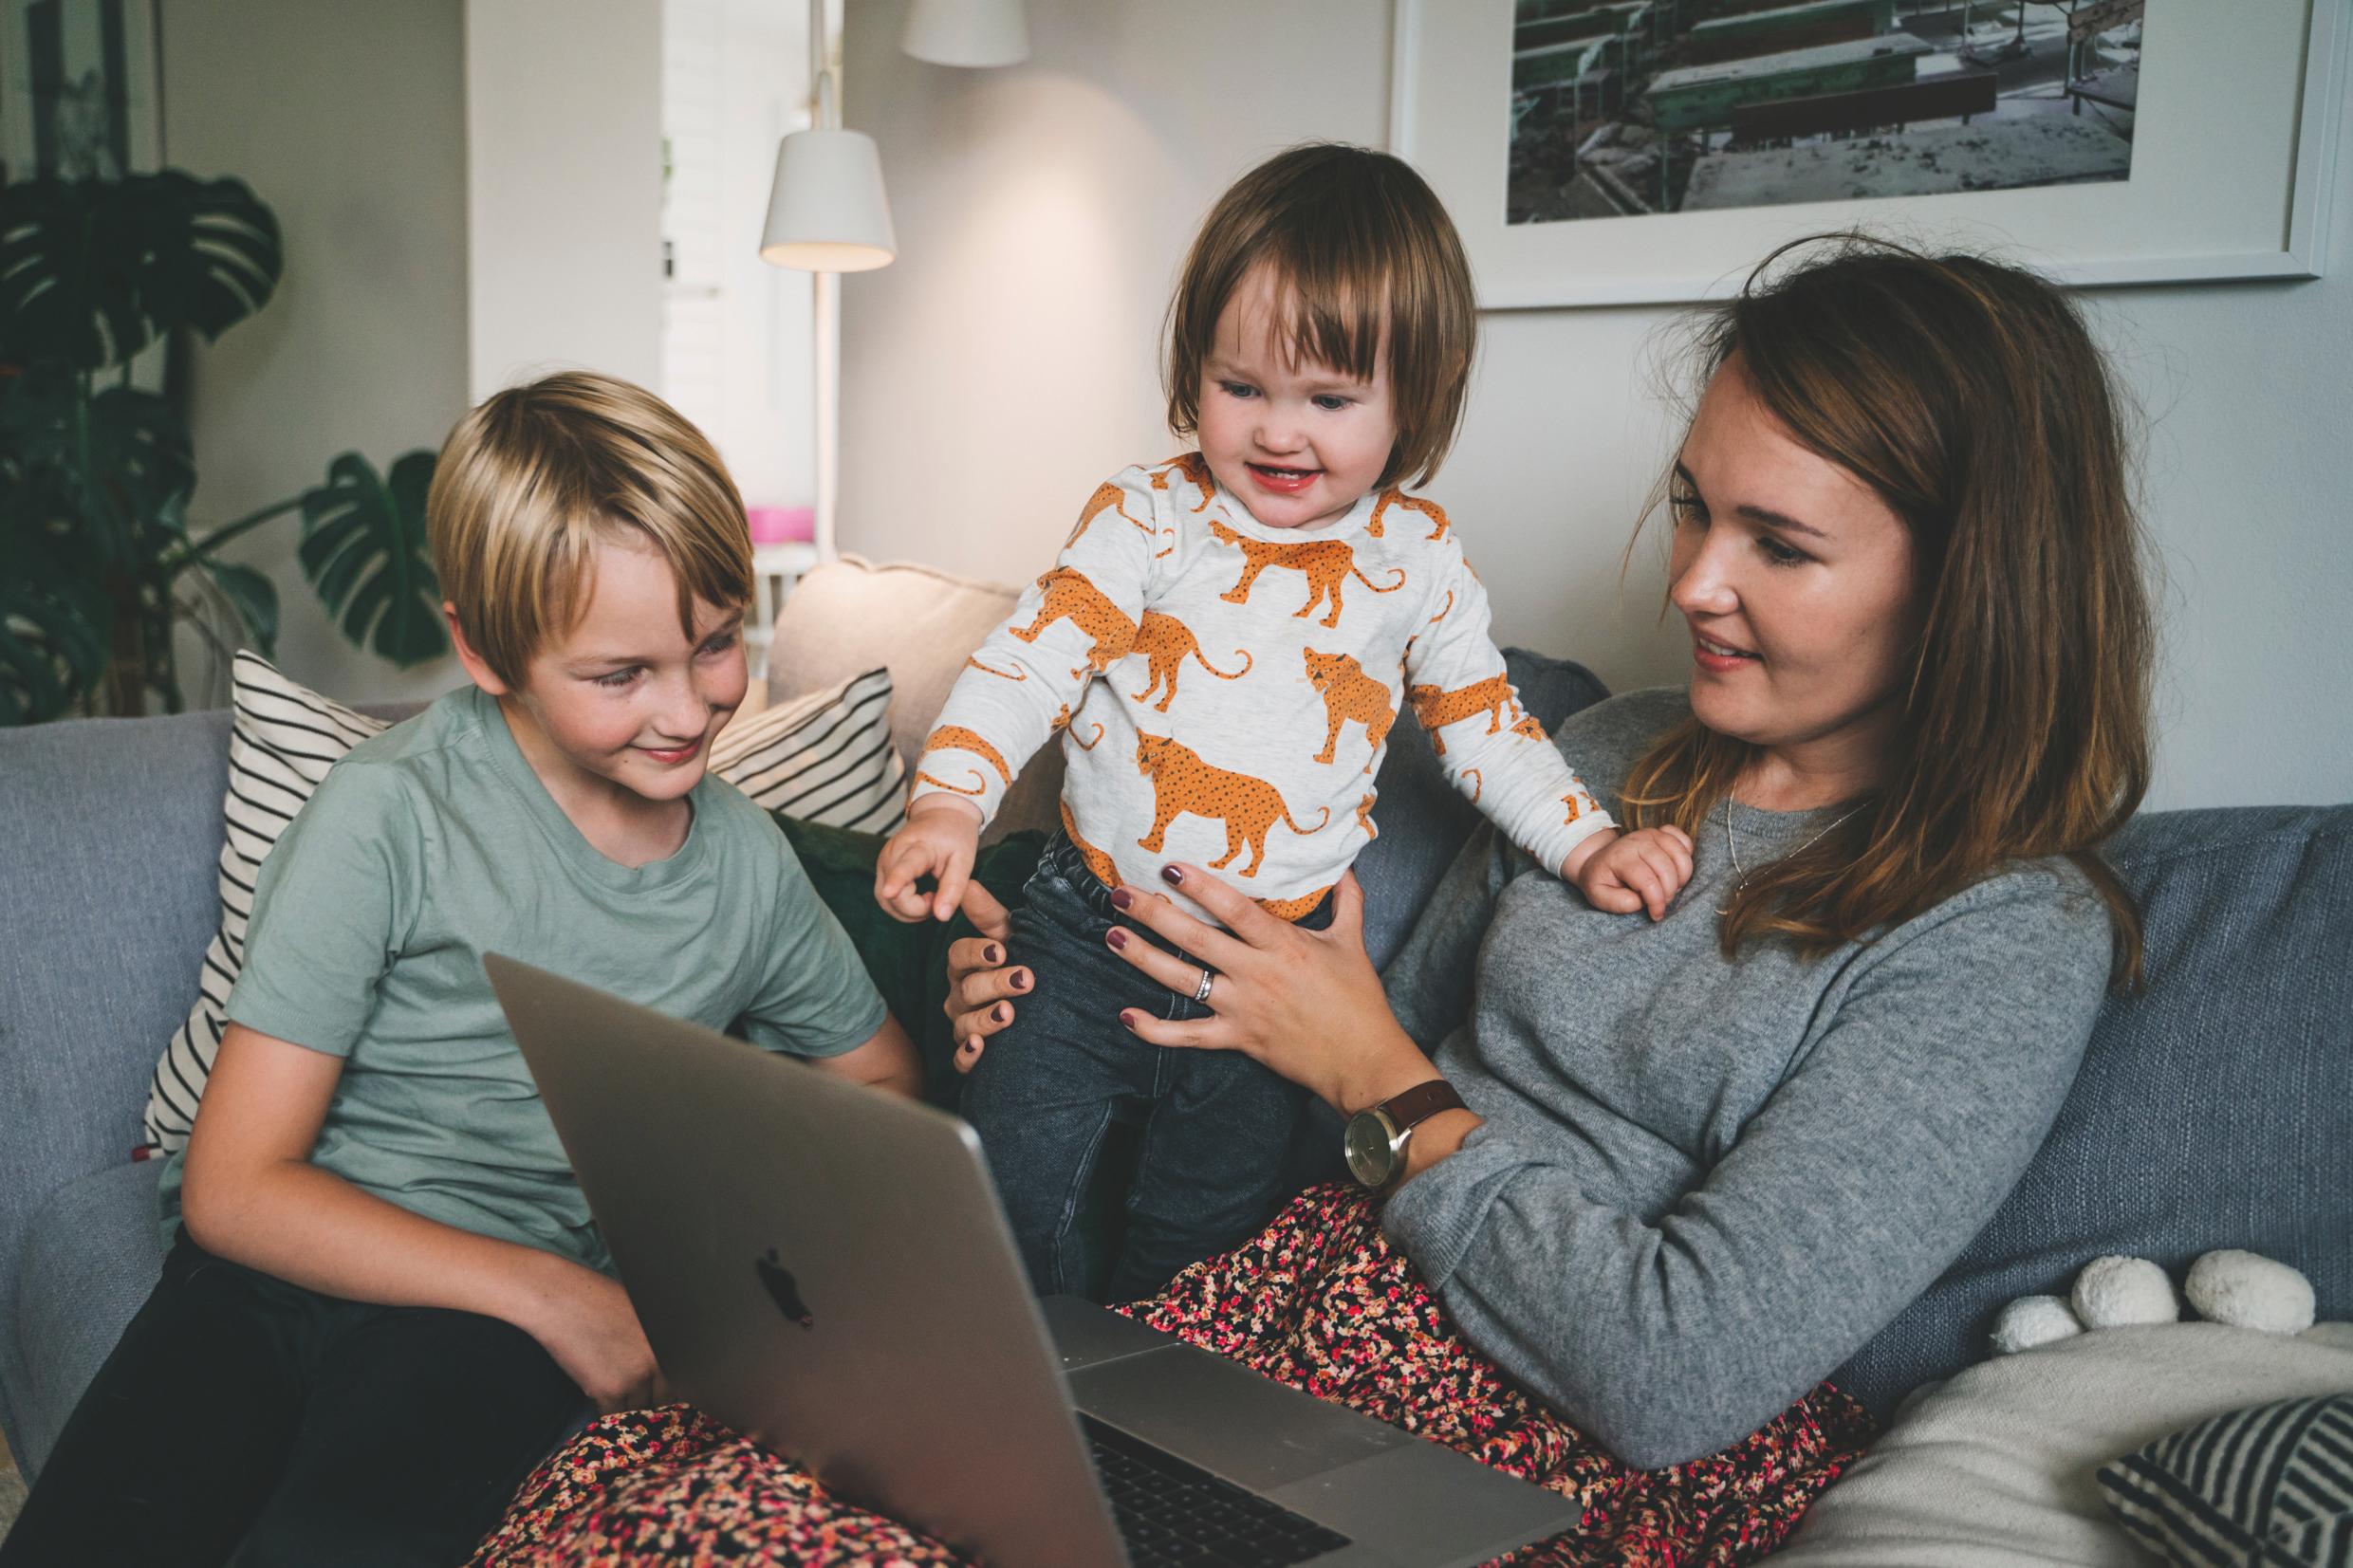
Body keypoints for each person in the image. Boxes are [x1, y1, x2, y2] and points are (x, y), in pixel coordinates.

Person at [467, 235, 2154, 1564]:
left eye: (1779, 545)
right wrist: (1036, 997)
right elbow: (1327, 1017)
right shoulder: (1618, 749)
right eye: (1696, 509)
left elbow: (1675, 1365)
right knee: (681, 1460)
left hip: (1523, 1437)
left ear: (1968, 579)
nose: (1694, 582)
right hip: (1286, 1294)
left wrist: (1378, 1080)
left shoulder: (2000, 927)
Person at [3, 372, 920, 1568]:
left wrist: (710, 1253)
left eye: (712, 645)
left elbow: (887, 1089)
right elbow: (235, 1190)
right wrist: (557, 1298)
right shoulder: (387, 815)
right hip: (270, 1273)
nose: (690, 710)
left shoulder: (743, 866)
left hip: (473, 1335)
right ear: (486, 654)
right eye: (618, 674)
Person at [874, 143, 1695, 1301]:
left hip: (1272, 973)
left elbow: (1485, 726)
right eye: (1240, 387)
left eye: (1329, 399)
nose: (1276, 433)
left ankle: (1152, 1443)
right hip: (1081, 936)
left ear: (1416, 394)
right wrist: (949, 797)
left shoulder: (1413, 562)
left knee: (1201, 1253)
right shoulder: (1147, 518)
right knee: (1007, 1209)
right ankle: (1012, 1419)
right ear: (1191, 370)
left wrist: (1587, 842)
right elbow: (1030, 658)